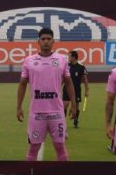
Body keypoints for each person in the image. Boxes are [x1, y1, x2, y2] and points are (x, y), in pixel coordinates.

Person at [16, 28, 75, 161]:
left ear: (53, 41)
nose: (46, 42)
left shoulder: (61, 60)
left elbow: (69, 83)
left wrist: (74, 105)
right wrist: (19, 107)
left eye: (49, 39)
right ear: (38, 41)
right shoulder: (29, 61)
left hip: (57, 113)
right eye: (43, 39)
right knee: (33, 148)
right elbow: (22, 85)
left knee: (60, 147)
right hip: (37, 114)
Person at [63, 51, 89, 128]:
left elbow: (85, 79)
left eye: (69, 56)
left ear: (74, 57)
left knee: (76, 107)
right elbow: (62, 78)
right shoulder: (66, 66)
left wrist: (87, 90)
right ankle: (62, 122)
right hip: (66, 88)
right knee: (65, 105)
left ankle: (75, 121)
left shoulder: (81, 66)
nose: (68, 58)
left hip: (77, 89)